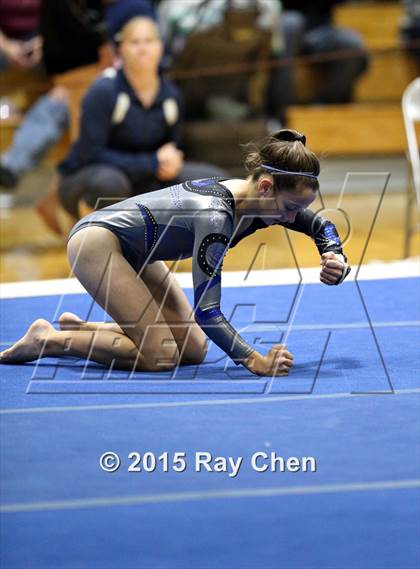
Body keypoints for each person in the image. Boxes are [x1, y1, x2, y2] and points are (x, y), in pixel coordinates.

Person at [0, 129, 351, 376]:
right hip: (97, 243)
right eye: (290, 208)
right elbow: (208, 311)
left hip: (139, 253)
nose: (292, 219)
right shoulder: (215, 215)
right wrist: (255, 360)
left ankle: (87, 328)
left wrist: (334, 254)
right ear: (265, 186)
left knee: (194, 350)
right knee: (161, 356)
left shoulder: (263, 202)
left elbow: (320, 225)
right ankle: (49, 339)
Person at [35, 16, 227, 235]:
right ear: (120, 50)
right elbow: (91, 153)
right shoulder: (104, 91)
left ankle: (178, 239)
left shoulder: (171, 95)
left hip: (144, 180)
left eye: (149, 41)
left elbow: (171, 146)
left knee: (213, 180)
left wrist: (172, 161)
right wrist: (151, 162)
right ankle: (91, 236)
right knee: (110, 183)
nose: (142, 49)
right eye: (135, 42)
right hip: (87, 178)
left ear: (160, 47)